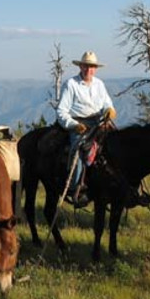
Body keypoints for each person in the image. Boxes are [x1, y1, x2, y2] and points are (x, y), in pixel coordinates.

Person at [56, 51, 116, 207]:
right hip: (79, 125)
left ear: (95, 68)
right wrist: (74, 125)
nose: (89, 69)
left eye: (92, 67)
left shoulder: (99, 84)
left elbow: (106, 103)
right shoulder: (71, 84)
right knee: (80, 150)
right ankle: (76, 188)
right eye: (86, 66)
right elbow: (61, 111)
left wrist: (109, 110)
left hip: (98, 123)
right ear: (81, 66)